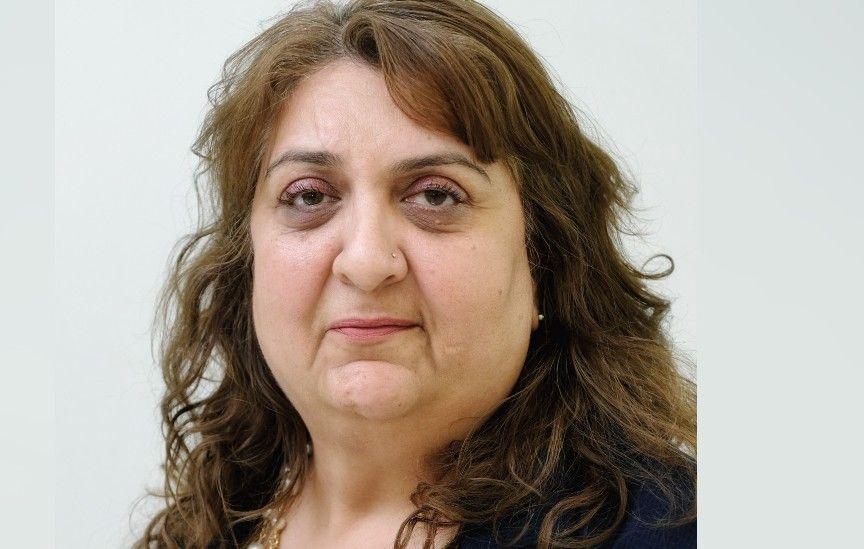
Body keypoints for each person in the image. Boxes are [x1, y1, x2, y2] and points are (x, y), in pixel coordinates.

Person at [133, 1, 696, 547]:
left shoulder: (669, 530)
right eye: (308, 196)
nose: (366, 262)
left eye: (434, 194)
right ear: (246, 263)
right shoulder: (213, 528)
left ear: (545, 261)